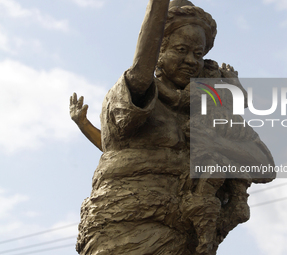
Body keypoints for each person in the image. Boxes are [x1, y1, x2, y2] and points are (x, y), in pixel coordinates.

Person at [70, 0, 275, 254]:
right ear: (160, 51)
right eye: (181, 49)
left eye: (198, 54)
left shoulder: (210, 108)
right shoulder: (136, 95)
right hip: (127, 228)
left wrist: (212, 141)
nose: (190, 60)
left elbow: (265, 166)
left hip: (189, 237)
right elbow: (139, 76)